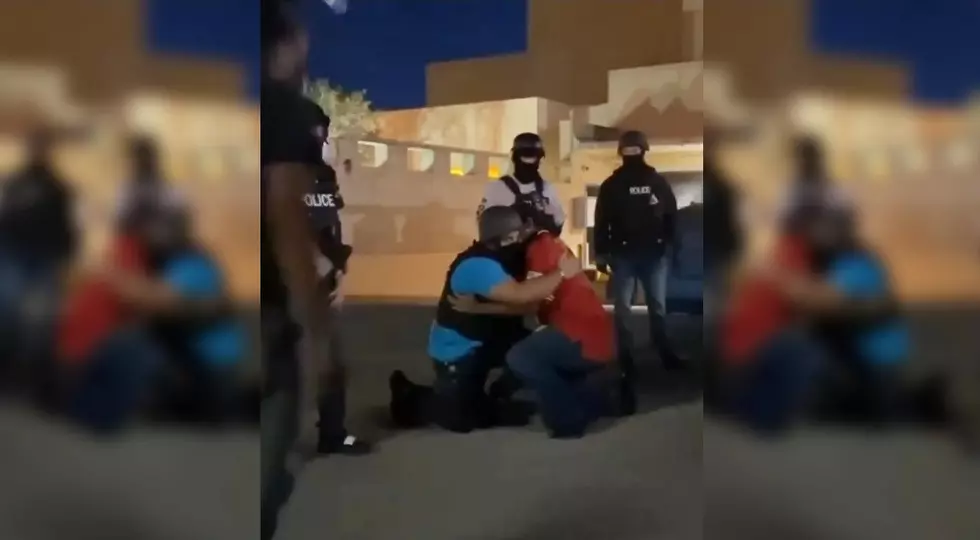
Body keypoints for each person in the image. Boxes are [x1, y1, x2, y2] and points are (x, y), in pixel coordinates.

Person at [259, 5, 367, 540]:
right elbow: (298, 218)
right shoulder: (286, 121)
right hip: (291, 284)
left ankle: (333, 431)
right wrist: (324, 276)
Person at [390, 206, 583, 433]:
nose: (522, 238)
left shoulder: (502, 257)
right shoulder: (478, 266)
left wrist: (480, 308)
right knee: (463, 420)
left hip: (486, 341)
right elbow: (521, 295)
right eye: (517, 234)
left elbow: (525, 307)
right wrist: (562, 272)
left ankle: (498, 392)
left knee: (533, 350)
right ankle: (408, 397)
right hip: (457, 354)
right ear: (507, 237)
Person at [454, 227, 620, 436]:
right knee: (536, 351)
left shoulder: (539, 250)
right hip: (596, 334)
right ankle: (606, 396)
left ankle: (569, 421)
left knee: (521, 356)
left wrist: (478, 307)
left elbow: (529, 301)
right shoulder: (549, 243)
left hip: (581, 336)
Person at [593, 130, 682, 380]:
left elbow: (671, 216)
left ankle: (661, 352)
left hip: (651, 255)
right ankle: (626, 357)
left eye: (635, 151)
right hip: (627, 255)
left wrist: (671, 245)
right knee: (628, 309)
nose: (632, 155)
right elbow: (601, 222)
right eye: (628, 151)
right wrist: (600, 252)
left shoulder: (654, 182)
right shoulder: (616, 185)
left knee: (652, 307)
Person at [0, 128, 78, 394]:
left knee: (40, 320)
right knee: (8, 313)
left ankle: (28, 378)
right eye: (36, 146)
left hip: (43, 257)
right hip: (14, 253)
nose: (38, 151)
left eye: (42, 146)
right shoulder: (13, 183)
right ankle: (9, 374)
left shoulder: (58, 187)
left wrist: (66, 259)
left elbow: (67, 228)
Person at [478, 132, 565, 238]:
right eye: (524, 157)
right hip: (508, 251)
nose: (528, 163)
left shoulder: (548, 189)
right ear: (514, 157)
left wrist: (542, 218)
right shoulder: (497, 188)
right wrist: (511, 216)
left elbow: (558, 225)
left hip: (540, 249)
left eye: (532, 157)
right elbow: (483, 223)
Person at [115, 135, 186, 231]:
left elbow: (179, 215)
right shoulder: (128, 190)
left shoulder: (165, 188)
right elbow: (121, 220)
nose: (144, 162)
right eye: (140, 159)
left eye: (146, 158)